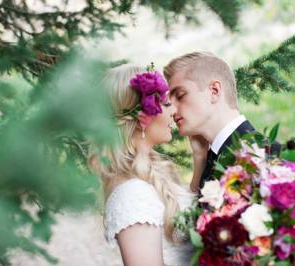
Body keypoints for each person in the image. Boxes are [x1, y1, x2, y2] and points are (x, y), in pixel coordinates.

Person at [90, 64, 200, 266]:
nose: (174, 110)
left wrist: (199, 158)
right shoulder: (132, 195)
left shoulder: (147, 176)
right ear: (142, 118)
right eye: (166, 104)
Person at [163, 51, 281, 193]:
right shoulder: (209, 161)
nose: (172, 109)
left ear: (214, 91)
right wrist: (200, 157)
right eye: (170, 101)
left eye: (180, 96)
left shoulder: (265, 155)